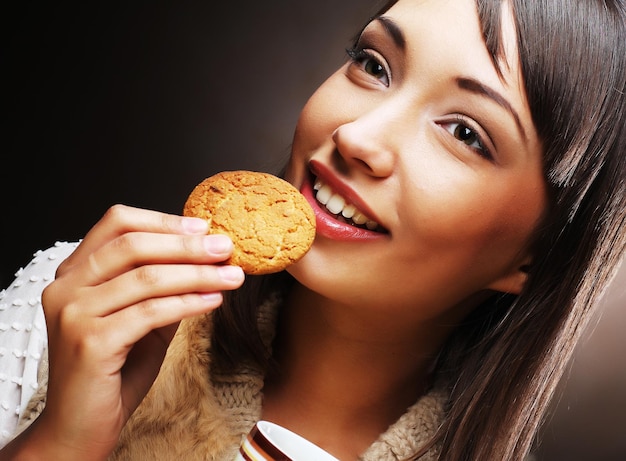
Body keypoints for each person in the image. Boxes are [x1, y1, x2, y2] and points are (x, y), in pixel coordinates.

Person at [1, 0, 625, 459]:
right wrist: (61, 442)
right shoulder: (71, 318)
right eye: (375, 64)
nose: (358, 135)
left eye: (465, 132)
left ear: (534, 259)